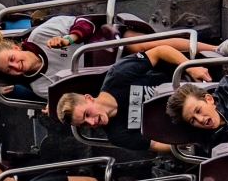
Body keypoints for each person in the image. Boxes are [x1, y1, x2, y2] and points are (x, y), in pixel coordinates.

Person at [54, 42, 209, 153]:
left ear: (89, 98)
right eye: (84, 125)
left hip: (193, 84)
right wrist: (194, 140)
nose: (92, 122)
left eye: (87, 114)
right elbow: (155, 144)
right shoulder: (117, 136)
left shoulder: (118, 76)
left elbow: (160, 51)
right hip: (194, 122)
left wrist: (191, 68)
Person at [0, 15, 98, 99]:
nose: (15, 66)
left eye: (12, 59)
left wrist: (69, 39)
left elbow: (87, 23)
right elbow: (82, 97)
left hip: (99, 44)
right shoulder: (40, 87)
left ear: (16, 48)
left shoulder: (41, 35)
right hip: (98, 77)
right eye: (9, 69)